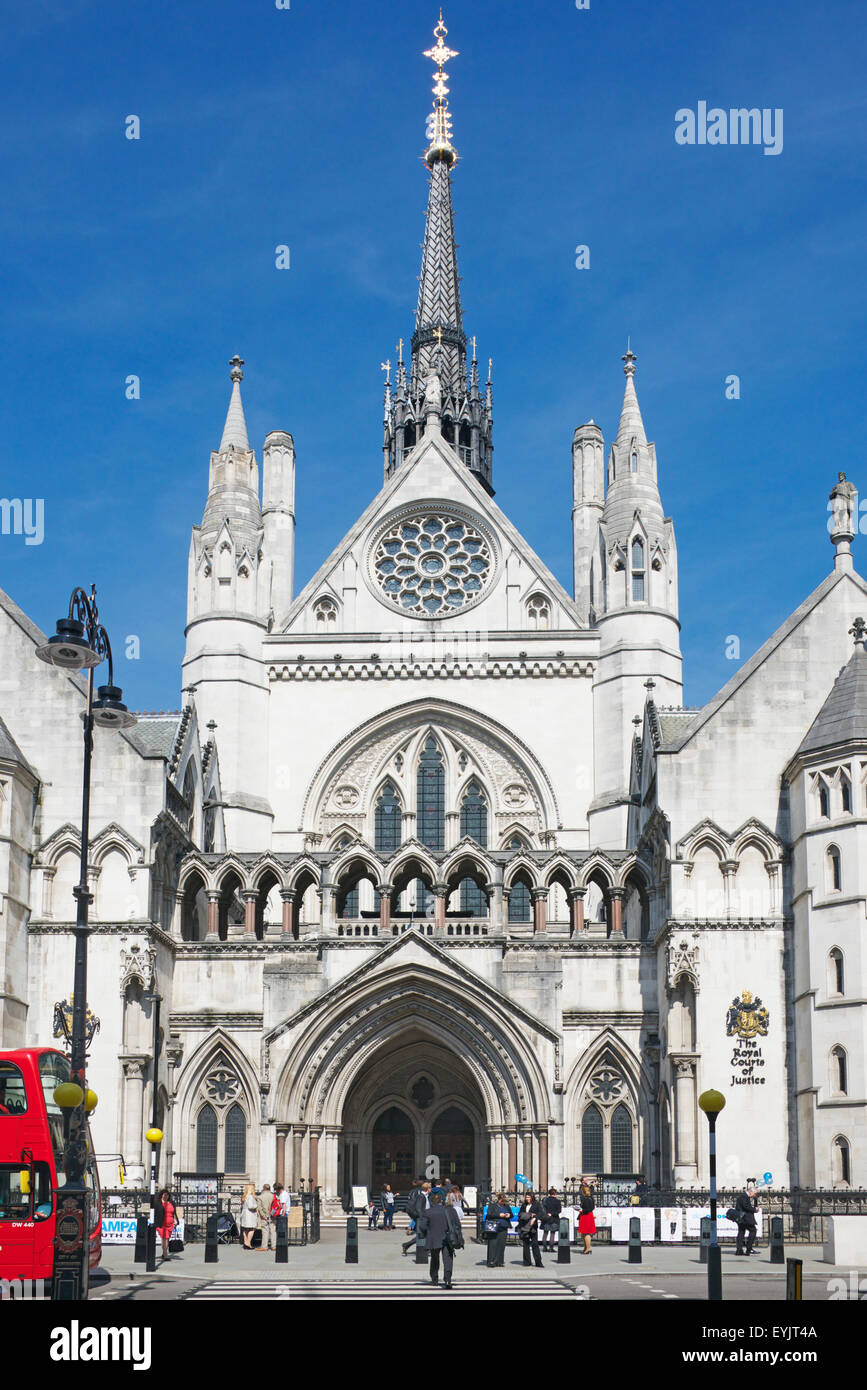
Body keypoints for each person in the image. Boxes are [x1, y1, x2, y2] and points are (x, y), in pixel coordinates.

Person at [419, 1191, 463, 1289]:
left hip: (434, 1238)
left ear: (432, 1202)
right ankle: (448, 1279)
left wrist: (428, 1232)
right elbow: (457, 1224)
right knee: (448, 1259)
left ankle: (434, 1279)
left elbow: (422, 1226)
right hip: (448, 1238)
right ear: (441, 1201)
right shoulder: (450, 1210)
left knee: (435, 1259)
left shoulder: (428, 1212)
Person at [402, 1180, 430, 1254]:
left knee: (423, 1235)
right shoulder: (421, 1195)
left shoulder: (423, 1195)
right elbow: (418, 1208)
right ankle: (423, 1251)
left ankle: (407, 1245)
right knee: (423, 1235)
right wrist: (421, 1218)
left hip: (423, 1217)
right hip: (422, 1218)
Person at [517, 1193, 545, 1268]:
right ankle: (527, 1261)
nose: (527, 1199)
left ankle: (538, 1262)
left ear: (532, 1197)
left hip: (533, 1227)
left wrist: (535, 1218)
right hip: (525, 1226)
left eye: (529, 1197)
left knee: (535, 1244)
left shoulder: (537, 1204)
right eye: (526, 1197)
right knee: (525, 1244)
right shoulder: (524, 1205)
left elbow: (541, 1213)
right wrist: (529, 1215)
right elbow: (520, 1214)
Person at [485, 1192, 512, 1268]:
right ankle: (491, 1261)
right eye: (502, 1201)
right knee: (493, 1244)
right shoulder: (492, 1206)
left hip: (504, 1227)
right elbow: (489, 1215)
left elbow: (511, 1214)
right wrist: (499, 1215)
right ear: (499, 1200)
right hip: (494, 1227)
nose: (503, 1203)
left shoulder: (506, 1206)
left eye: (504, 1201)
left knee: (501, 1245)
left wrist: (509, 1215)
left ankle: (499, 1261)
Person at [735, 1182, 758, 1255]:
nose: (754, 1195)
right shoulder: (744, 1196)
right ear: (751, 1191)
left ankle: (739, 1250)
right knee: (753, 1230)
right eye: (754, 1193)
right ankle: (749, 1248)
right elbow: (745, 1206)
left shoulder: (743, 1196)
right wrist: (754, 1210)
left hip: (742, 1218)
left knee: (741, 1232)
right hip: (745, 1218)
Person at [155, 1189, 176, 1261]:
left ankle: (164, 1253)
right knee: (165, 1238)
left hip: (170, 1224)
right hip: (162, 1223)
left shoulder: (171, 1203)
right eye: (164, 1195)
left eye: (167, 1195)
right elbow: (155, 1213)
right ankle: (165, 1255)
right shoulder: (158, 1203)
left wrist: (176, 1221)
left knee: (167, 1238)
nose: (166, 1196)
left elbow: (174, 1213)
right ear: (161, 1195)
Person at [540, 1187, 562, 1252]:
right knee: (552, 1233)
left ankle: (544, 1247)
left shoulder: (545, 1200)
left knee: (545, 1233)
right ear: (555, 1194)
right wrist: (552, 1213)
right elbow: (559, 1211)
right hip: (554, 1218)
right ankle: (551, 1248)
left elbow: (542, 1209)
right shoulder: (557, 1201)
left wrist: (547, 1213)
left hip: (546, 1218)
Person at [578, 1180, 596, 1255]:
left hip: (586, 1216)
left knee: (586, 1233)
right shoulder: (591, 1198)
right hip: (588, 1215)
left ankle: (588, 1249)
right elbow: (592, 1207)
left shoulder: (586, 1199)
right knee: (584, 1233)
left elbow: (588, 1209)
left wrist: (582, 1210)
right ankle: (586, 1247)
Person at [240, 1182, 259, 1250]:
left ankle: (246, 1242)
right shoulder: (250, 1197)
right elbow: (251, 1206)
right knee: (252, 1228)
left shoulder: (244, 1196)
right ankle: (248, 1243)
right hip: (250, 1215)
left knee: (245, 1229)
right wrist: (257, 1205)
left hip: (245, 1214)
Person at [257, 1184, 275, 1251]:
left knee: (265, 1231)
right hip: (272, 1216)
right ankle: (274, 1246)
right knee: (273, 1231)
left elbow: (259, 1208)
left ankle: (264, 1246)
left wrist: (263, 1216)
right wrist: (272, 1214)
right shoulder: (274, 1196)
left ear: (263, 1188)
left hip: (264, 1216)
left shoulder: (260, 1197)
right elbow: (276, 1206)